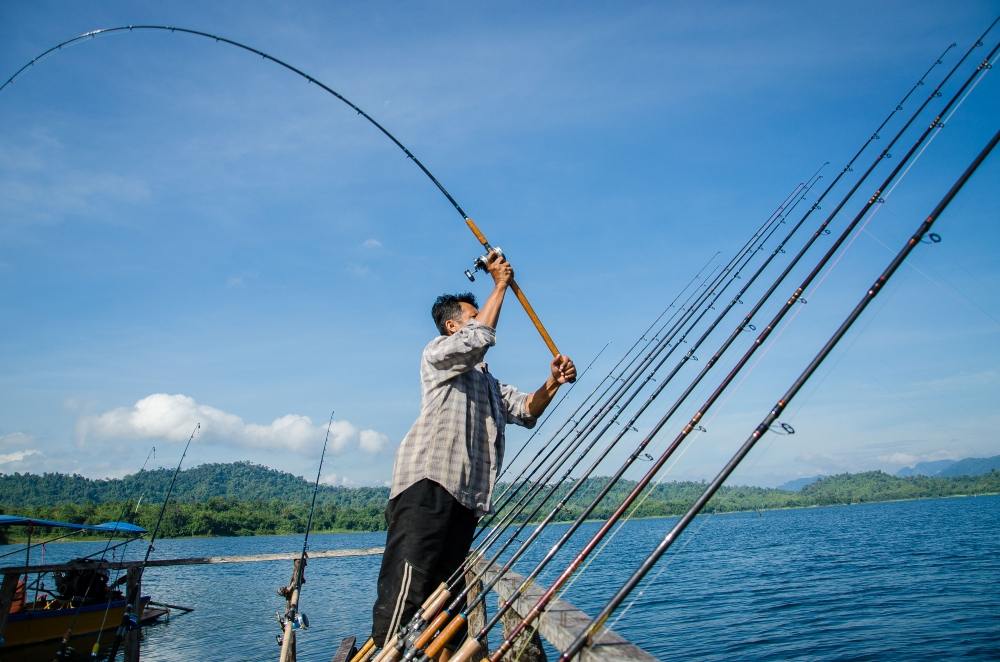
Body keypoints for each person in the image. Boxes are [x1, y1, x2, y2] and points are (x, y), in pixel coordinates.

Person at [370, 251, 576, 651]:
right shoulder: (437, 353)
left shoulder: (487, 383)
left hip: (466, 499)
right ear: (452, 326)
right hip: (427, 486)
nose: (482, 316)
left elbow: (526, 410)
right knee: (407, 596)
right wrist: (500, 285)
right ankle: (388, 653)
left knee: (446, 603)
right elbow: (478, 339)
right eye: (472, 313)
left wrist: (552, 383)